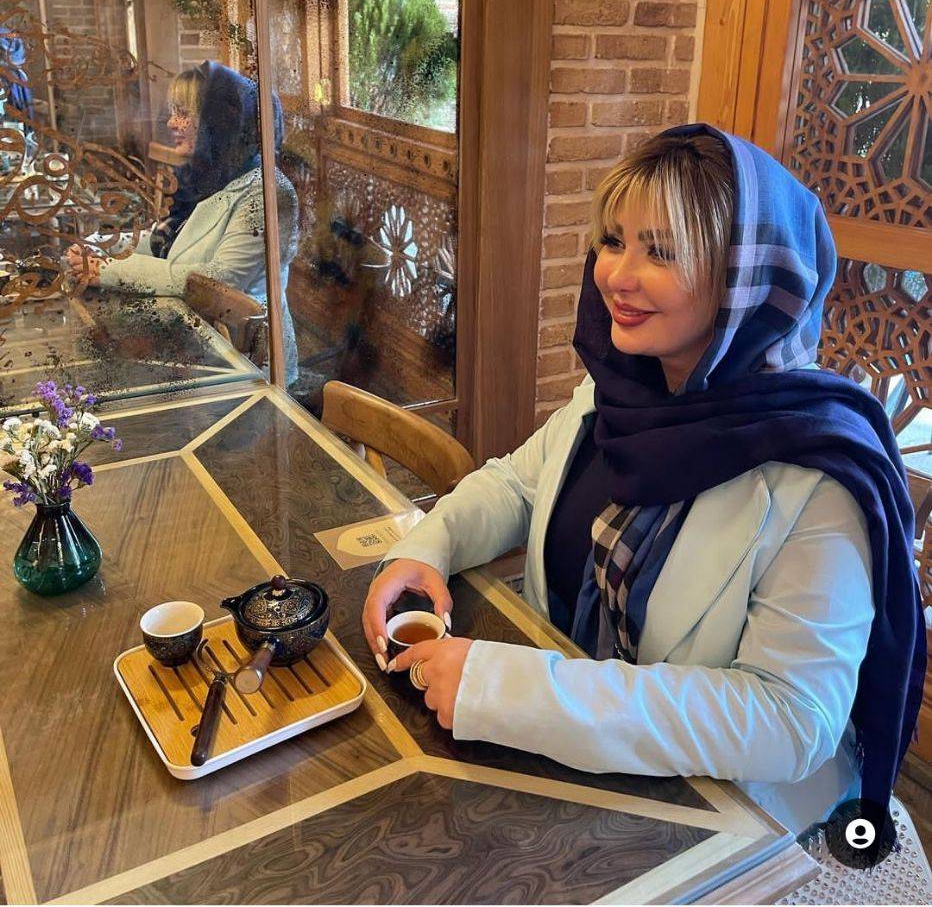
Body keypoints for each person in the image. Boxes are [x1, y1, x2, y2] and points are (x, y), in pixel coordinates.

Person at [362, 123, 924, 840]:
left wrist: (510, 691)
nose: (617, 276)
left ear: (744, 278)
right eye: (613, 240)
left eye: (661, 251)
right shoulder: (624, 393)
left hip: (719, 819)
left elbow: (789, 719)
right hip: (570, 770)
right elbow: (516, 486)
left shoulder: (820, 473)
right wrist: (425, 549)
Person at [65, 60, 299, 383]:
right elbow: (162, 240)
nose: (172, 123)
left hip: (245, 363)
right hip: (194, 341)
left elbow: (217, 281)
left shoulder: (267, 193)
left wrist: (106, 269)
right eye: (173, 112)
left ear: (218, 122)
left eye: (184, 113)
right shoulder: (210, 174)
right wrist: (96, 247)